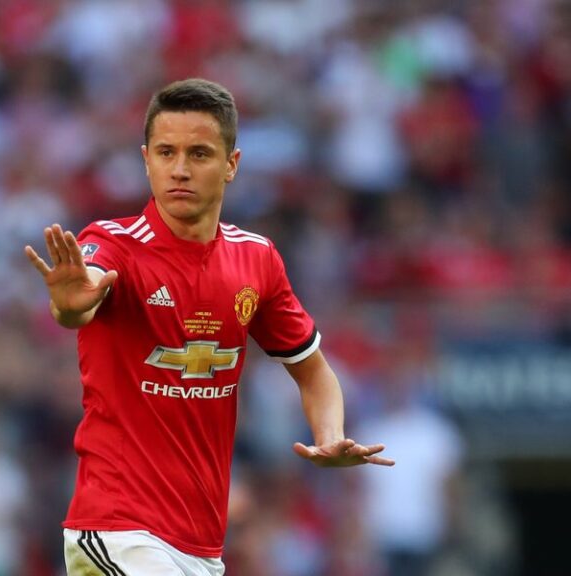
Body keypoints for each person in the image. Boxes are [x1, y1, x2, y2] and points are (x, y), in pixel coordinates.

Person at [25, 78, 394, 576]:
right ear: (146, 160)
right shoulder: (113, 244)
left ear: (231, 165)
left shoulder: (256, 259)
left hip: (201, 545)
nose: (179, 169)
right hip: (116, 530)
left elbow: (314, 372)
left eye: (198, 154)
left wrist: (330, 435)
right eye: (166, 152)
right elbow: (82, 299)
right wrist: (70, 305)